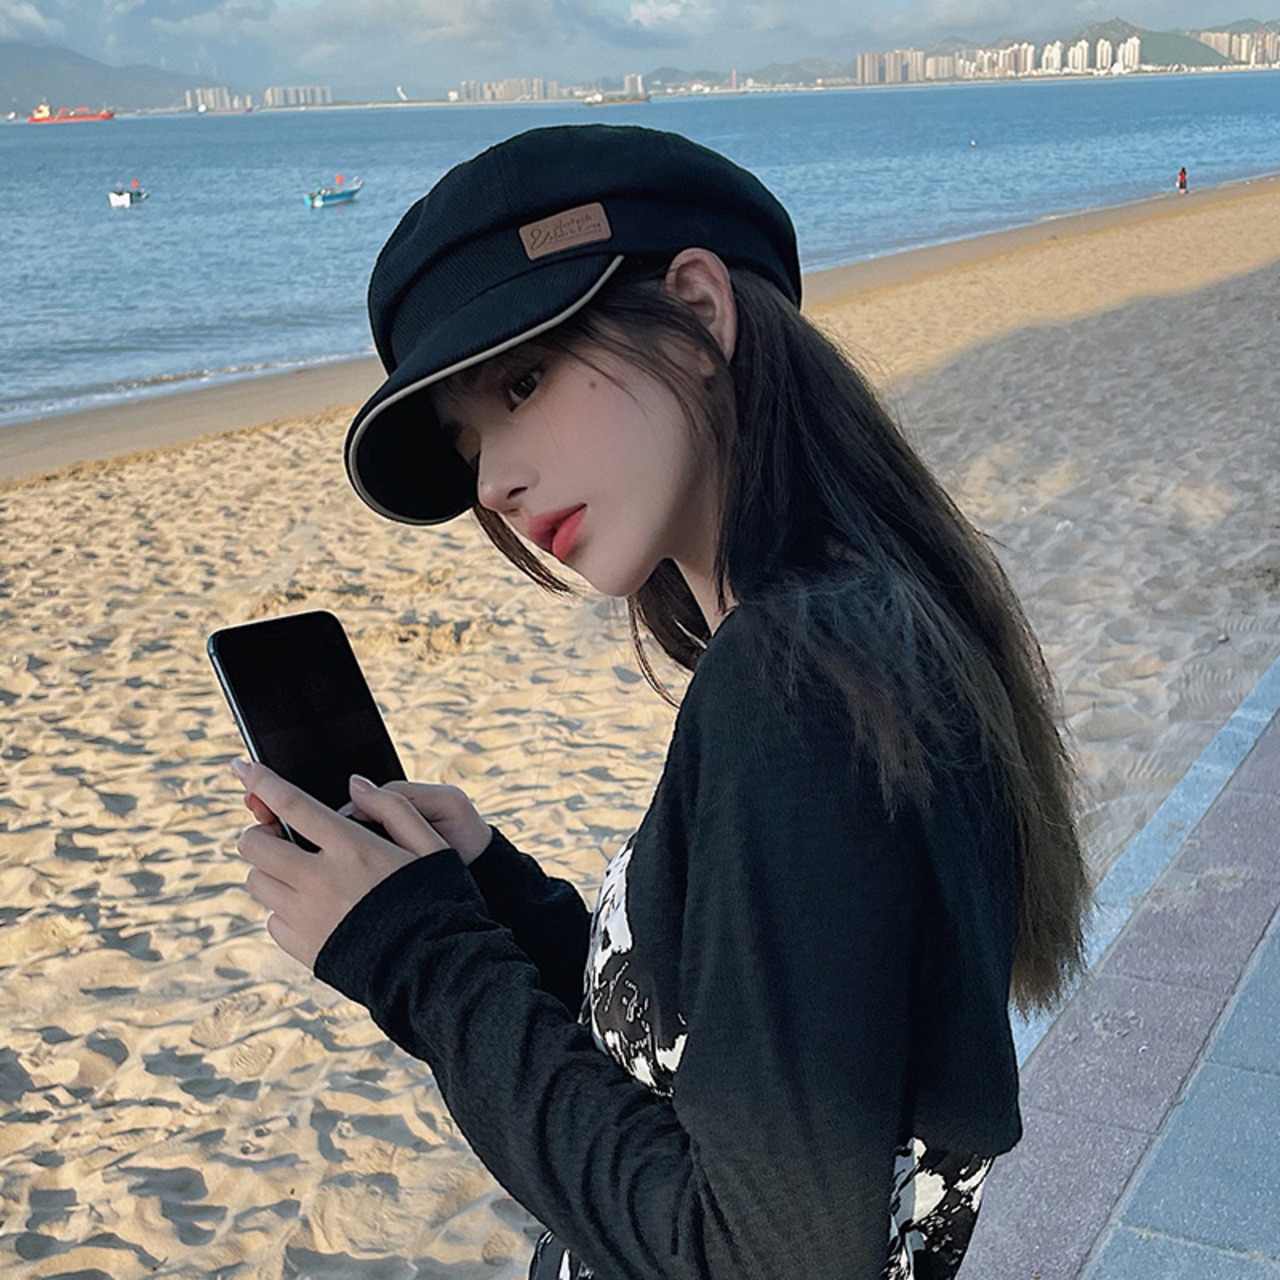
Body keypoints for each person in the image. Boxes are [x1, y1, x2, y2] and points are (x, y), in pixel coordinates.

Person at [232, 124, 1091, 1279]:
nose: (492, 480)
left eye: (521, 382)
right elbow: (717, 1051)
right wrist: (489, 897)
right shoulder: (861, 630)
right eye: (468, 441)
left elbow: (763, 1256)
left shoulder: (796, 683)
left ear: (694, 312)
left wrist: (420, 959)